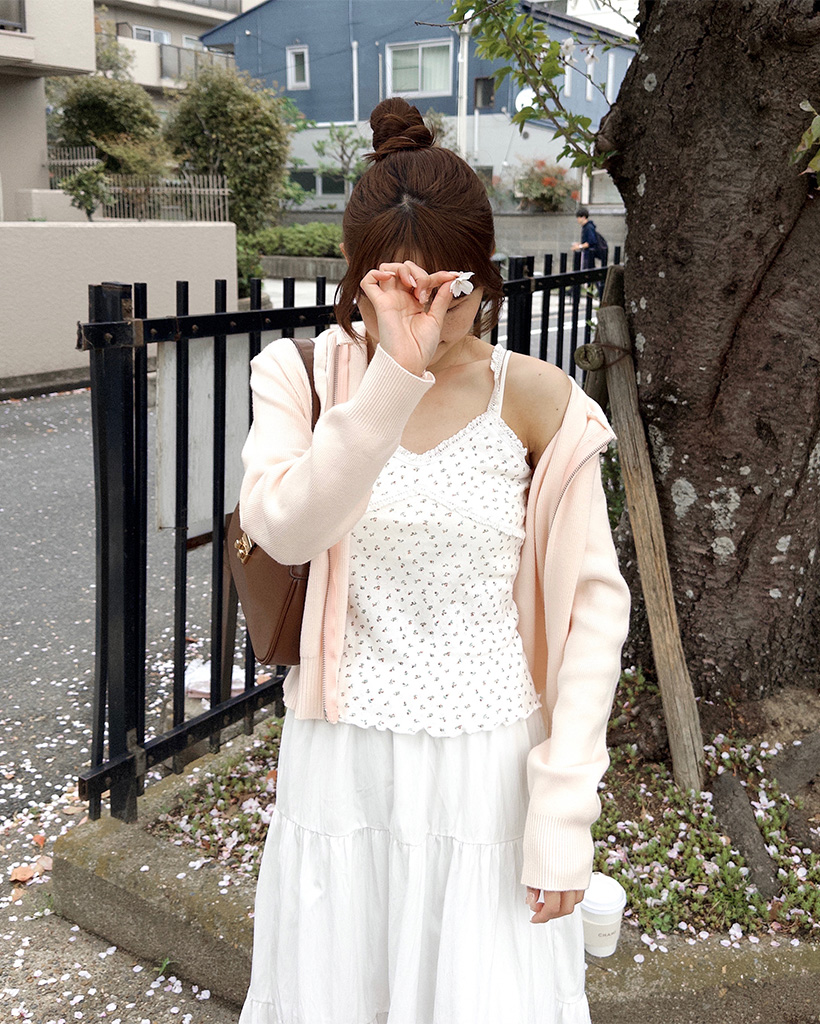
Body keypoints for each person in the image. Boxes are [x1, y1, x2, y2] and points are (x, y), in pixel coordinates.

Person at [237, 98, 630, 1024]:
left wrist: (563, 810)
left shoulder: (537, 398)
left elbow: (592, 615)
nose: (429, 313)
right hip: (343, 757)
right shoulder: (298, 376)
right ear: (360, 277)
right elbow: (286, 530)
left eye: (451, 290)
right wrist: (392, 375)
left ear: (483, 276)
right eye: (398, 288)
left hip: (487, 767)